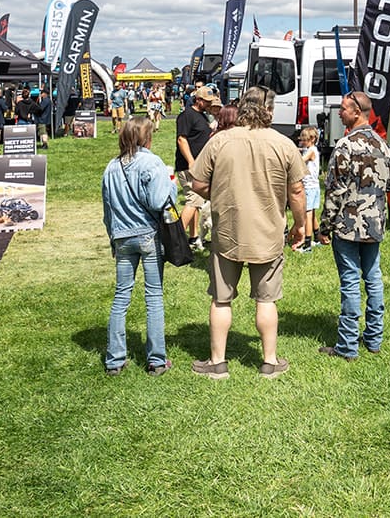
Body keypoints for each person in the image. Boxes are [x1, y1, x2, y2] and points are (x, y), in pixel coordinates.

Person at [189, 85, 307, 379]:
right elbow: (296, 191)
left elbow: (198, 184)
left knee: (221, 298)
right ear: (270, 110)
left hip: (228, 231)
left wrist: (220, 192)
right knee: (266, 299)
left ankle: (217, 362)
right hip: (268, 232)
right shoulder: (284, 144)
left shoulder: (220, 141)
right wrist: (300, 225)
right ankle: (269, 361)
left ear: (243, 108)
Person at [316, 91, 390, 361]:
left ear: (357, 112)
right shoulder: (383, 144)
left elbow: (335, 190)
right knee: (373, 279)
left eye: (343, 109)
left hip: (347, 225)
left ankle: (347, 346)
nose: (339, 113)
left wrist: (324, 227)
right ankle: (374, 339)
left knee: (350, 282)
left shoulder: (345, 146)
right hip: (374, 224)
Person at [100, 117, 175, 375]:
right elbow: (158, 201)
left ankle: (115, 359)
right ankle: (156, 360)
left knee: (121, 296)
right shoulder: (151, 162)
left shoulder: (111, 167)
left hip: (122, 236)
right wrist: (171, 184)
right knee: (153, 296)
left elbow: (108, 209)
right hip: (148, 234)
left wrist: (112, 238)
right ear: (147, 138)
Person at [176, 84, 219, 247]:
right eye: (206, 101)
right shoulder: (187, 115)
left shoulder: (202, 116)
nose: (209, 104)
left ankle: (193, 237)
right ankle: (175, 241)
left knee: (194, 201)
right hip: (189, 167)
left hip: (198, 166)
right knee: (193, 201)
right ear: (198, 100)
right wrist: (191, 161)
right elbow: (182, 139)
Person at [295, 126, 321, 253]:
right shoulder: (312, 149)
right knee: (313, 214)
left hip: (309, 187)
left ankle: (307, 244)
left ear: (312, 139)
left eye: (305, 140)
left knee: (307, 215)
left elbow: (300, 161)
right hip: (315, 186)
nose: (303, 142)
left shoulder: (311, 151)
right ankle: (317, 238)